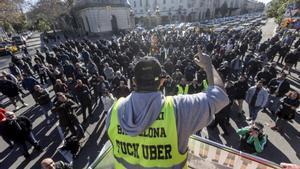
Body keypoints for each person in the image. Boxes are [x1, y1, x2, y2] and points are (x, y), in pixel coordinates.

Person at [106, 49, 229, 168]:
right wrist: (208, 65)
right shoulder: (179, 108)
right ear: (162, 81)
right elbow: (220, 97)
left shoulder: (115, 110)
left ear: (134, 81)